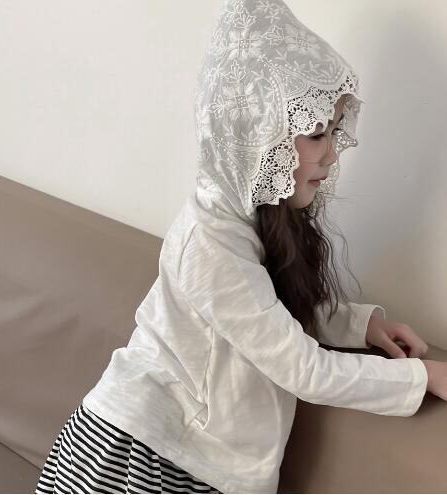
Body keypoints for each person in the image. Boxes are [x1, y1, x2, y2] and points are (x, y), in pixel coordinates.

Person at [35, 0, 447, 493]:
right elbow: (303, 369)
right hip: (142, 456)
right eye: (317, 133)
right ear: (257, 134)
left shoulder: (250, 218)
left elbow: (267, 311)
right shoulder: (209, 242)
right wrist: (423, 377)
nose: (333, 154)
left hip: (179, 454)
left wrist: (362, 325)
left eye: (335, 131)